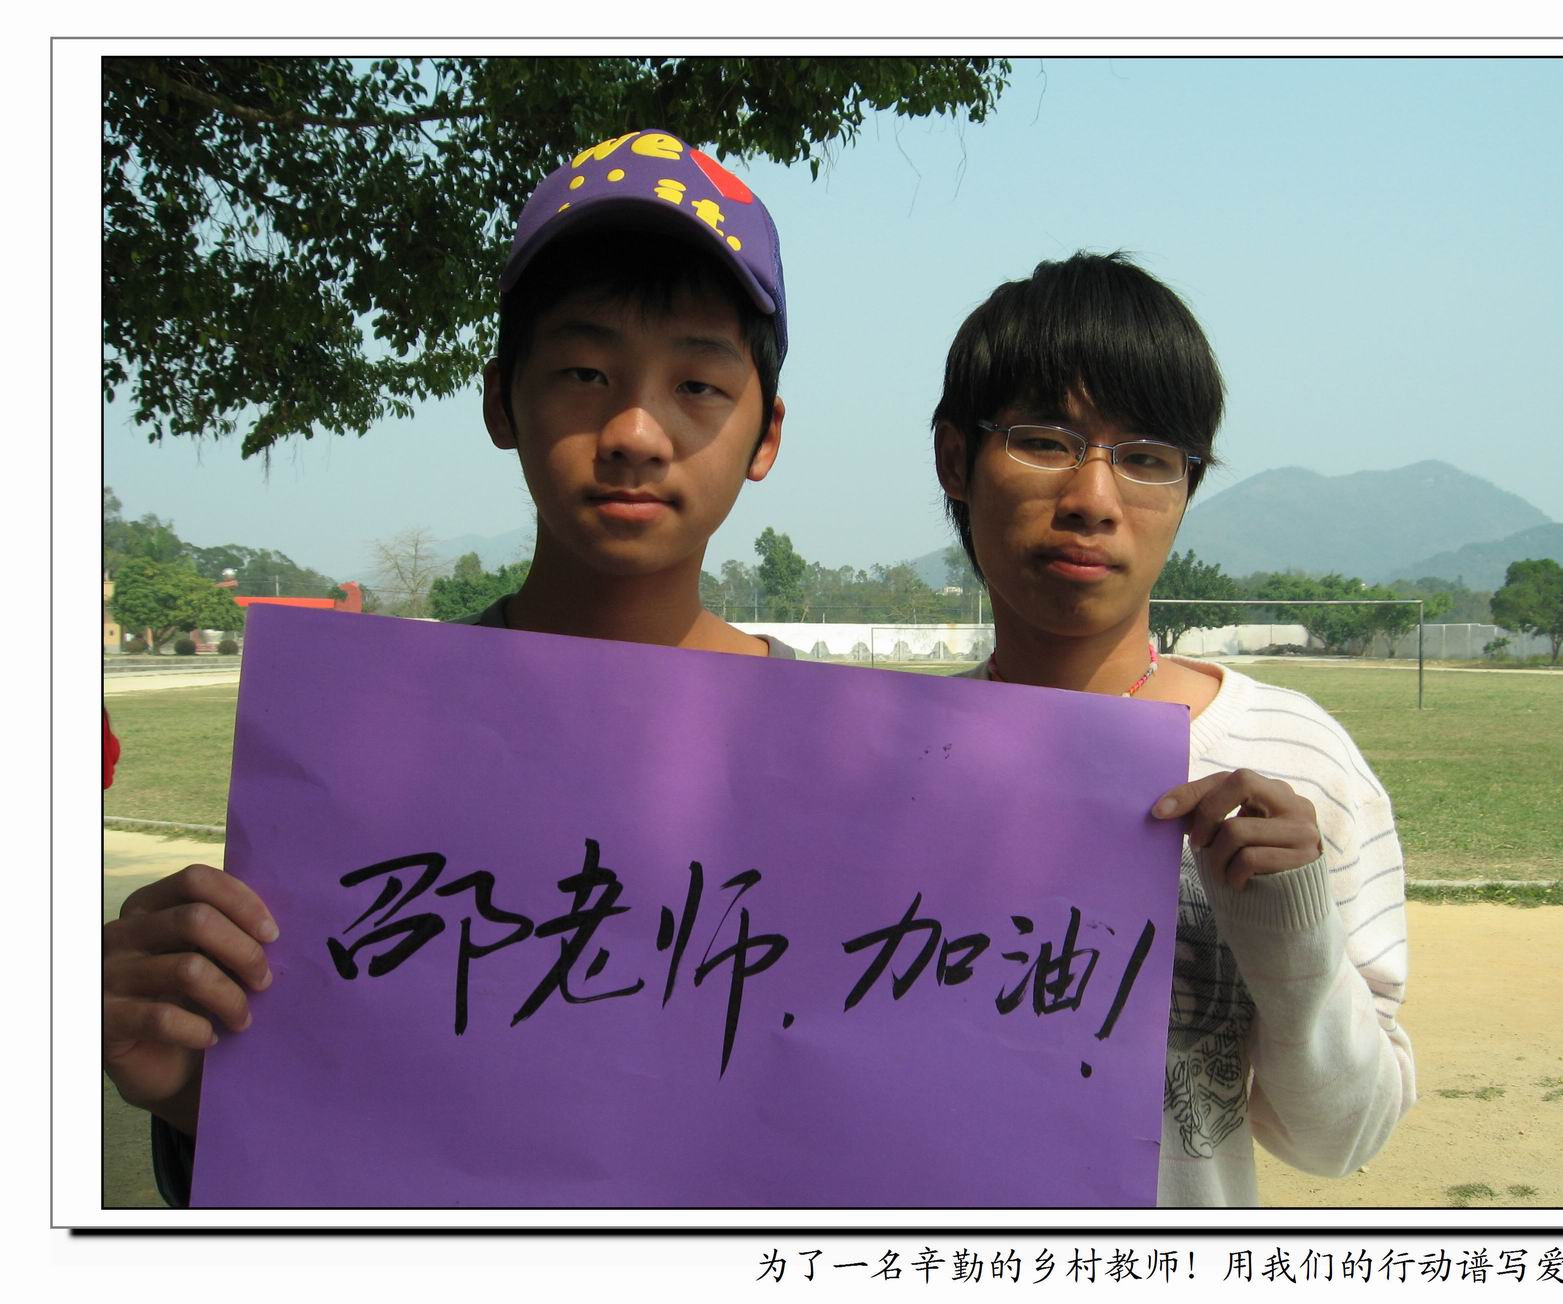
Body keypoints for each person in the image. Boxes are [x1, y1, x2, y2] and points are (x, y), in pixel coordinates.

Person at [101, 128, 797, 1205]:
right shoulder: (351, 754)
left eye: (699, 383)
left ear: (767, 434)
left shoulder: (838, 769)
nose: (635, 429)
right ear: (500, 399)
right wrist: (203, 1093)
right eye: (584, 371)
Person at [931, 251, 1415, 1207]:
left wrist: (1294, 931)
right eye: (1044, 440)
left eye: (1148, 458)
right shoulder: (870, 764)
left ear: (1186, 489)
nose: (1093, 500)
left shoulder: (1294, 758)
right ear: (956, 459)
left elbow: (1341, 1141)